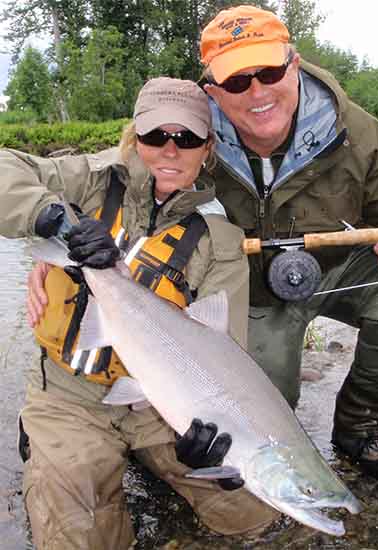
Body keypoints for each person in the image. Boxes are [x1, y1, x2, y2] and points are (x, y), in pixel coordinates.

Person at [0, 77, 278, 550]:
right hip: (72, 392)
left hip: (161, 405)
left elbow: (225, 356)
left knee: (250, 513)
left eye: (187, 138)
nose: (171, 150)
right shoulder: (87, 179)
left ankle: (147, 462)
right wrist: (50, 219)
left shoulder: (221, 239)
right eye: (156, 136)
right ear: (135, 136)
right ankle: (54, 445)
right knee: (82, 538)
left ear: (207, 148)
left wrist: (215, 437)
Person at [197, 5, 378, 492]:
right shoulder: (183, 134)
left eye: (269, 72)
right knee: (264, 413)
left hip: (339, 271)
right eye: (237, 82)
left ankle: (359, 431)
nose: (257, 92)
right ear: (213, 92)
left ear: (293, 65)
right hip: (248, 295)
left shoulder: (351, 126)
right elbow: (112, 193)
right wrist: (56, 251)